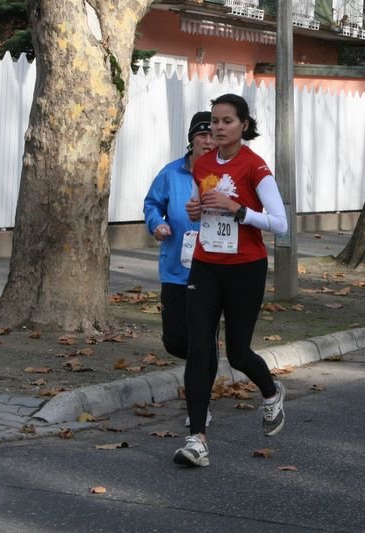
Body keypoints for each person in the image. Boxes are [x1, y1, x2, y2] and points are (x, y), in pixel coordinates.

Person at [173, 93, 288, 467]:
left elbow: (281, 223)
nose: (218, 128)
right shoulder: (203, 163)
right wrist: (195, 207)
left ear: (244, 125)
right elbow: (201, 203)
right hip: (206, 262)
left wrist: (241, 211)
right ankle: (197, 438)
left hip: (245, 266)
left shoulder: (255, 167)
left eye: (226, 121)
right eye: (214, 121)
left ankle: (271, 392)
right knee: (200, 347)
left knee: (238, 352)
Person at [143, 111, 218, 427]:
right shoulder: (171, 173)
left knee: (202, 338)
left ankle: (200, 405)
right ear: (191, 139)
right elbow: (152, 204)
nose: (207, 140)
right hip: (175, 268)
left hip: (213, 270)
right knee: (175, 340)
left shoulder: (223, 175)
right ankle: (205, 361)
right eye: (201, 134)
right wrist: (156, 224)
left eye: (212, 135)